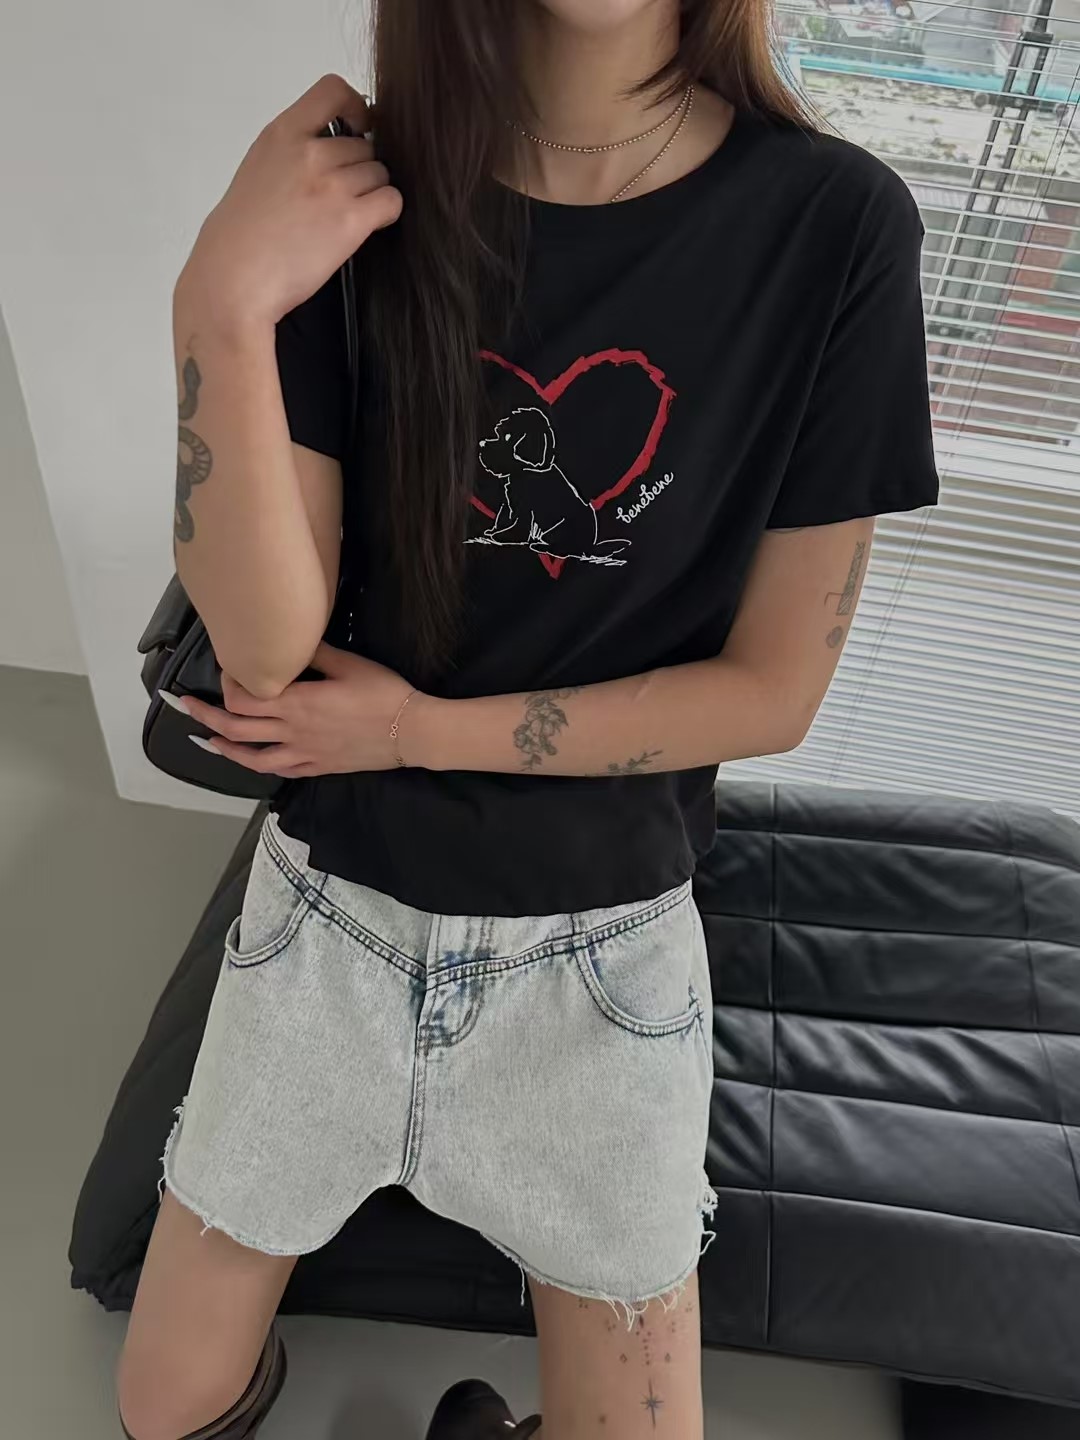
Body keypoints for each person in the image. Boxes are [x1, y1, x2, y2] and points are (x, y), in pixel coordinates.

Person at [117, 0, 939, 1436]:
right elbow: (262, 643)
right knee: (161, 1405)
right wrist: (218, 306)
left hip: (602, 954)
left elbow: (773, 694)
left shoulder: (835, 226)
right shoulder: (352, 190)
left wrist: (412, 732)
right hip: (331, 921)